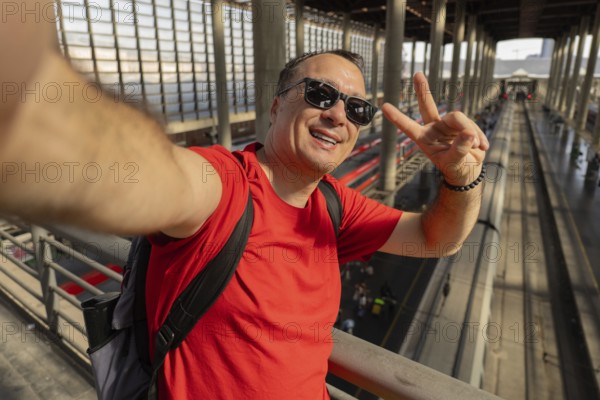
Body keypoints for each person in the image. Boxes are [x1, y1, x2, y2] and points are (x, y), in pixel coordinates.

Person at [0, 6, 488, 399]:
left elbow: (435, 239)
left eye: (356, 108)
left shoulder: (337, 205)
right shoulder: (222, 187)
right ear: (276, 106)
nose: (339, 115)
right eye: (320, 94)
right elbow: (134, 169)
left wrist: (461, 177)